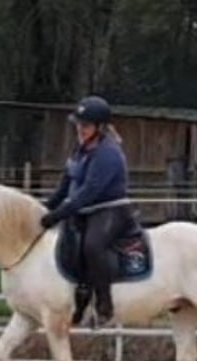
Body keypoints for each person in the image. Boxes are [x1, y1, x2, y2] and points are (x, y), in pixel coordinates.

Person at [40, 95, 136, 327]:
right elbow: (65, 186)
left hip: (110, 210)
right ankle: (77, 297)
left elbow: (88, 192)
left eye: (86, 126)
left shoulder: (108, 154)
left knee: (93, 245)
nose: (80, 130)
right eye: (78, 125)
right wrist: (44, 209)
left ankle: (104, 305)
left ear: (100, 127)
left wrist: (58, 214)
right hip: (85, 211)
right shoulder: (79, 150)